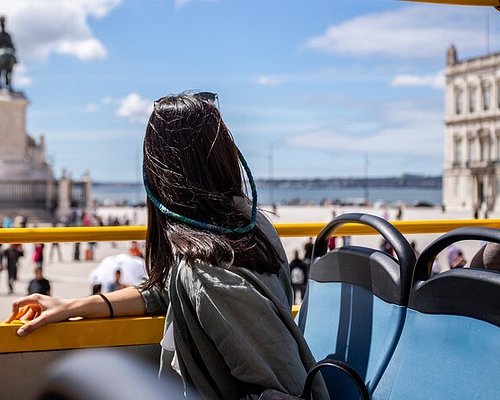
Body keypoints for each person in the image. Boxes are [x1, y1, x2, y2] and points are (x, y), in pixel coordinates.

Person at [6, 93, 325, 399]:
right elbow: (167, 290)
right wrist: (74, 306)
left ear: (159, 175)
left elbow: (285, 385)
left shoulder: (208, 272)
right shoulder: (243, 225)